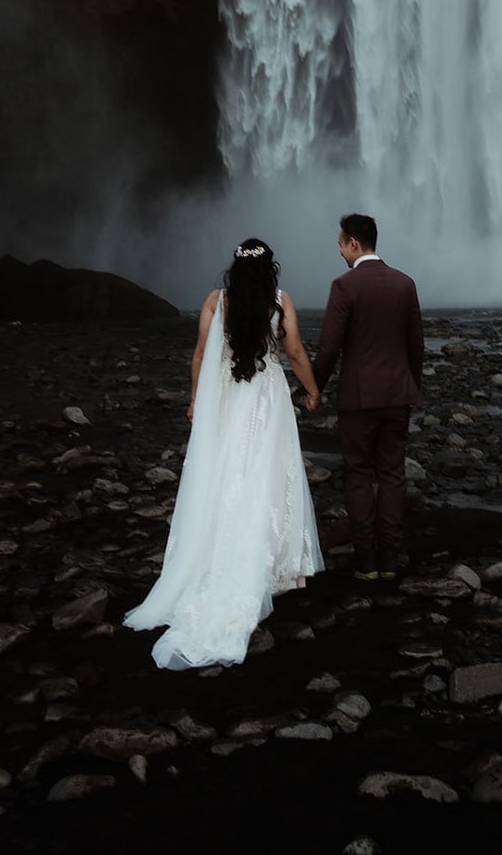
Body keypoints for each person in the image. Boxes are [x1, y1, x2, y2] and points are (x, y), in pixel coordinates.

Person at [123, 238, 324, 669]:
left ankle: (216, 552)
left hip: (230, 400)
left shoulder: (217, 300)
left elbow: (200, 355)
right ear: (270, 268)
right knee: (268, 474)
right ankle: (279, 565)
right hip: (266, 400)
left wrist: (196, 400)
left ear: (234, 267)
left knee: (225, 473)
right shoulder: (279, 300)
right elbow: (293, 352)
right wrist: (312, 389)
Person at [313, 214, 423, 582]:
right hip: (397, 393)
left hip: (358, 397)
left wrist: (315, 387)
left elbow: (329, 348)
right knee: (392, 474)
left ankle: (366, 561)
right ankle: (390, 557)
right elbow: (415, 344)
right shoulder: (405, 284)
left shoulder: (345, 287)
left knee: (358, 474)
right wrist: (411, 383)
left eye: (341, 245)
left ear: (354, 244)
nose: (340, 252)